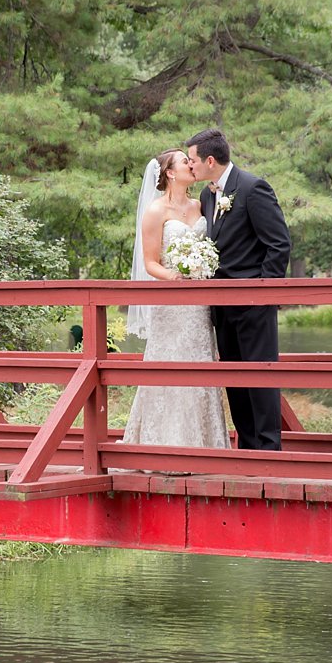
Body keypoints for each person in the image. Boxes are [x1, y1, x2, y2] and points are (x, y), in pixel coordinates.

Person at [185, 127, 292, 451]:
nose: (190, 166)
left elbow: (278, 244)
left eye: (192, 160)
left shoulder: (252, 188)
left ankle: (269, 451)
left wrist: (263, 294)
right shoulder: (207, 195)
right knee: (234, 380)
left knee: (261, 380)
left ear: (211, 160)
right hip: (221, 306)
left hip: (253, 304)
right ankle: (246, 449)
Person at [121, 149, 229, 449]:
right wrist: (174, 276)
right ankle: (164, 447)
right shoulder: (156, 211)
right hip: (171, 305)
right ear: (170, 172)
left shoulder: (202, 203)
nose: (191, 165)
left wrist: (203, 266)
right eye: (185, 161)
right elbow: (150, 262)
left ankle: (205, 447)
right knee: (170, 368)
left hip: (199, 306)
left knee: (200, 365)